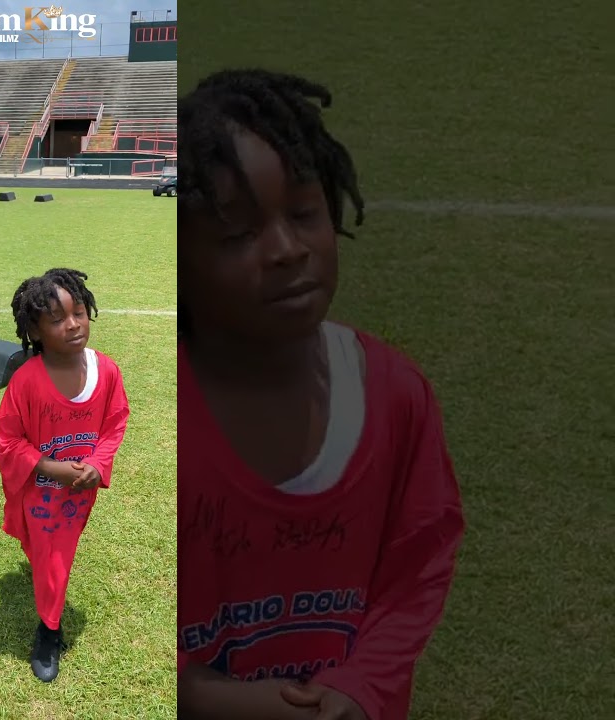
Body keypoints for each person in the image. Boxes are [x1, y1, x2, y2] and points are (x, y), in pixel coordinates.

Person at [176, 69, 466, 720]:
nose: (286, 250)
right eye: (238, 234)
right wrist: (198, 695)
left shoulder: (395, 395)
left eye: (304, 214)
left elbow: (418, 566)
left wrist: (361, 684)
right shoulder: (159, 419)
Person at [0, 269, 131, 682]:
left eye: (79, 313)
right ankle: (49, 630)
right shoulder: (27, 382)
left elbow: (115, 423)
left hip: (80, 491)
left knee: (54, 554)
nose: (73, 325)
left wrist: (98, 465)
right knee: (49, 554)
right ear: (35, 330)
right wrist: (50, 467)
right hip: (40, 491)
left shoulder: (107, 372)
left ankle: (47, 613)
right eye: (57, 319)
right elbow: (8, 439)